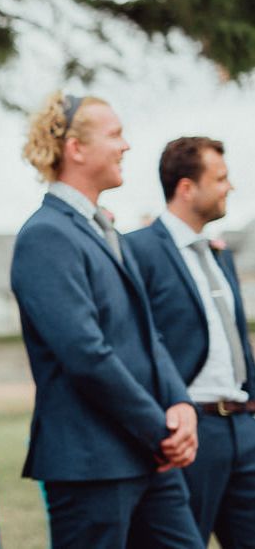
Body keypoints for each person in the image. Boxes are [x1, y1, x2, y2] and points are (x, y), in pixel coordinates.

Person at [10, 92, 203, 548]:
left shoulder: (106, 229)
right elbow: (85, 353)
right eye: (115, 134)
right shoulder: (45, 236)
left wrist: (179, 403)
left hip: (149, 455)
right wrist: (160, 431)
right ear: (75, 148)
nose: (126, 146)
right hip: (92, 463)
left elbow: (147, 331)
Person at [126, 137, 255, 547]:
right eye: (220, 178)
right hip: (191, 432)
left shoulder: (220, 253)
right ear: (187, 187)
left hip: (243, 427)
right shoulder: (137, 250)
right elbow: (139, 341)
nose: (229, 187)